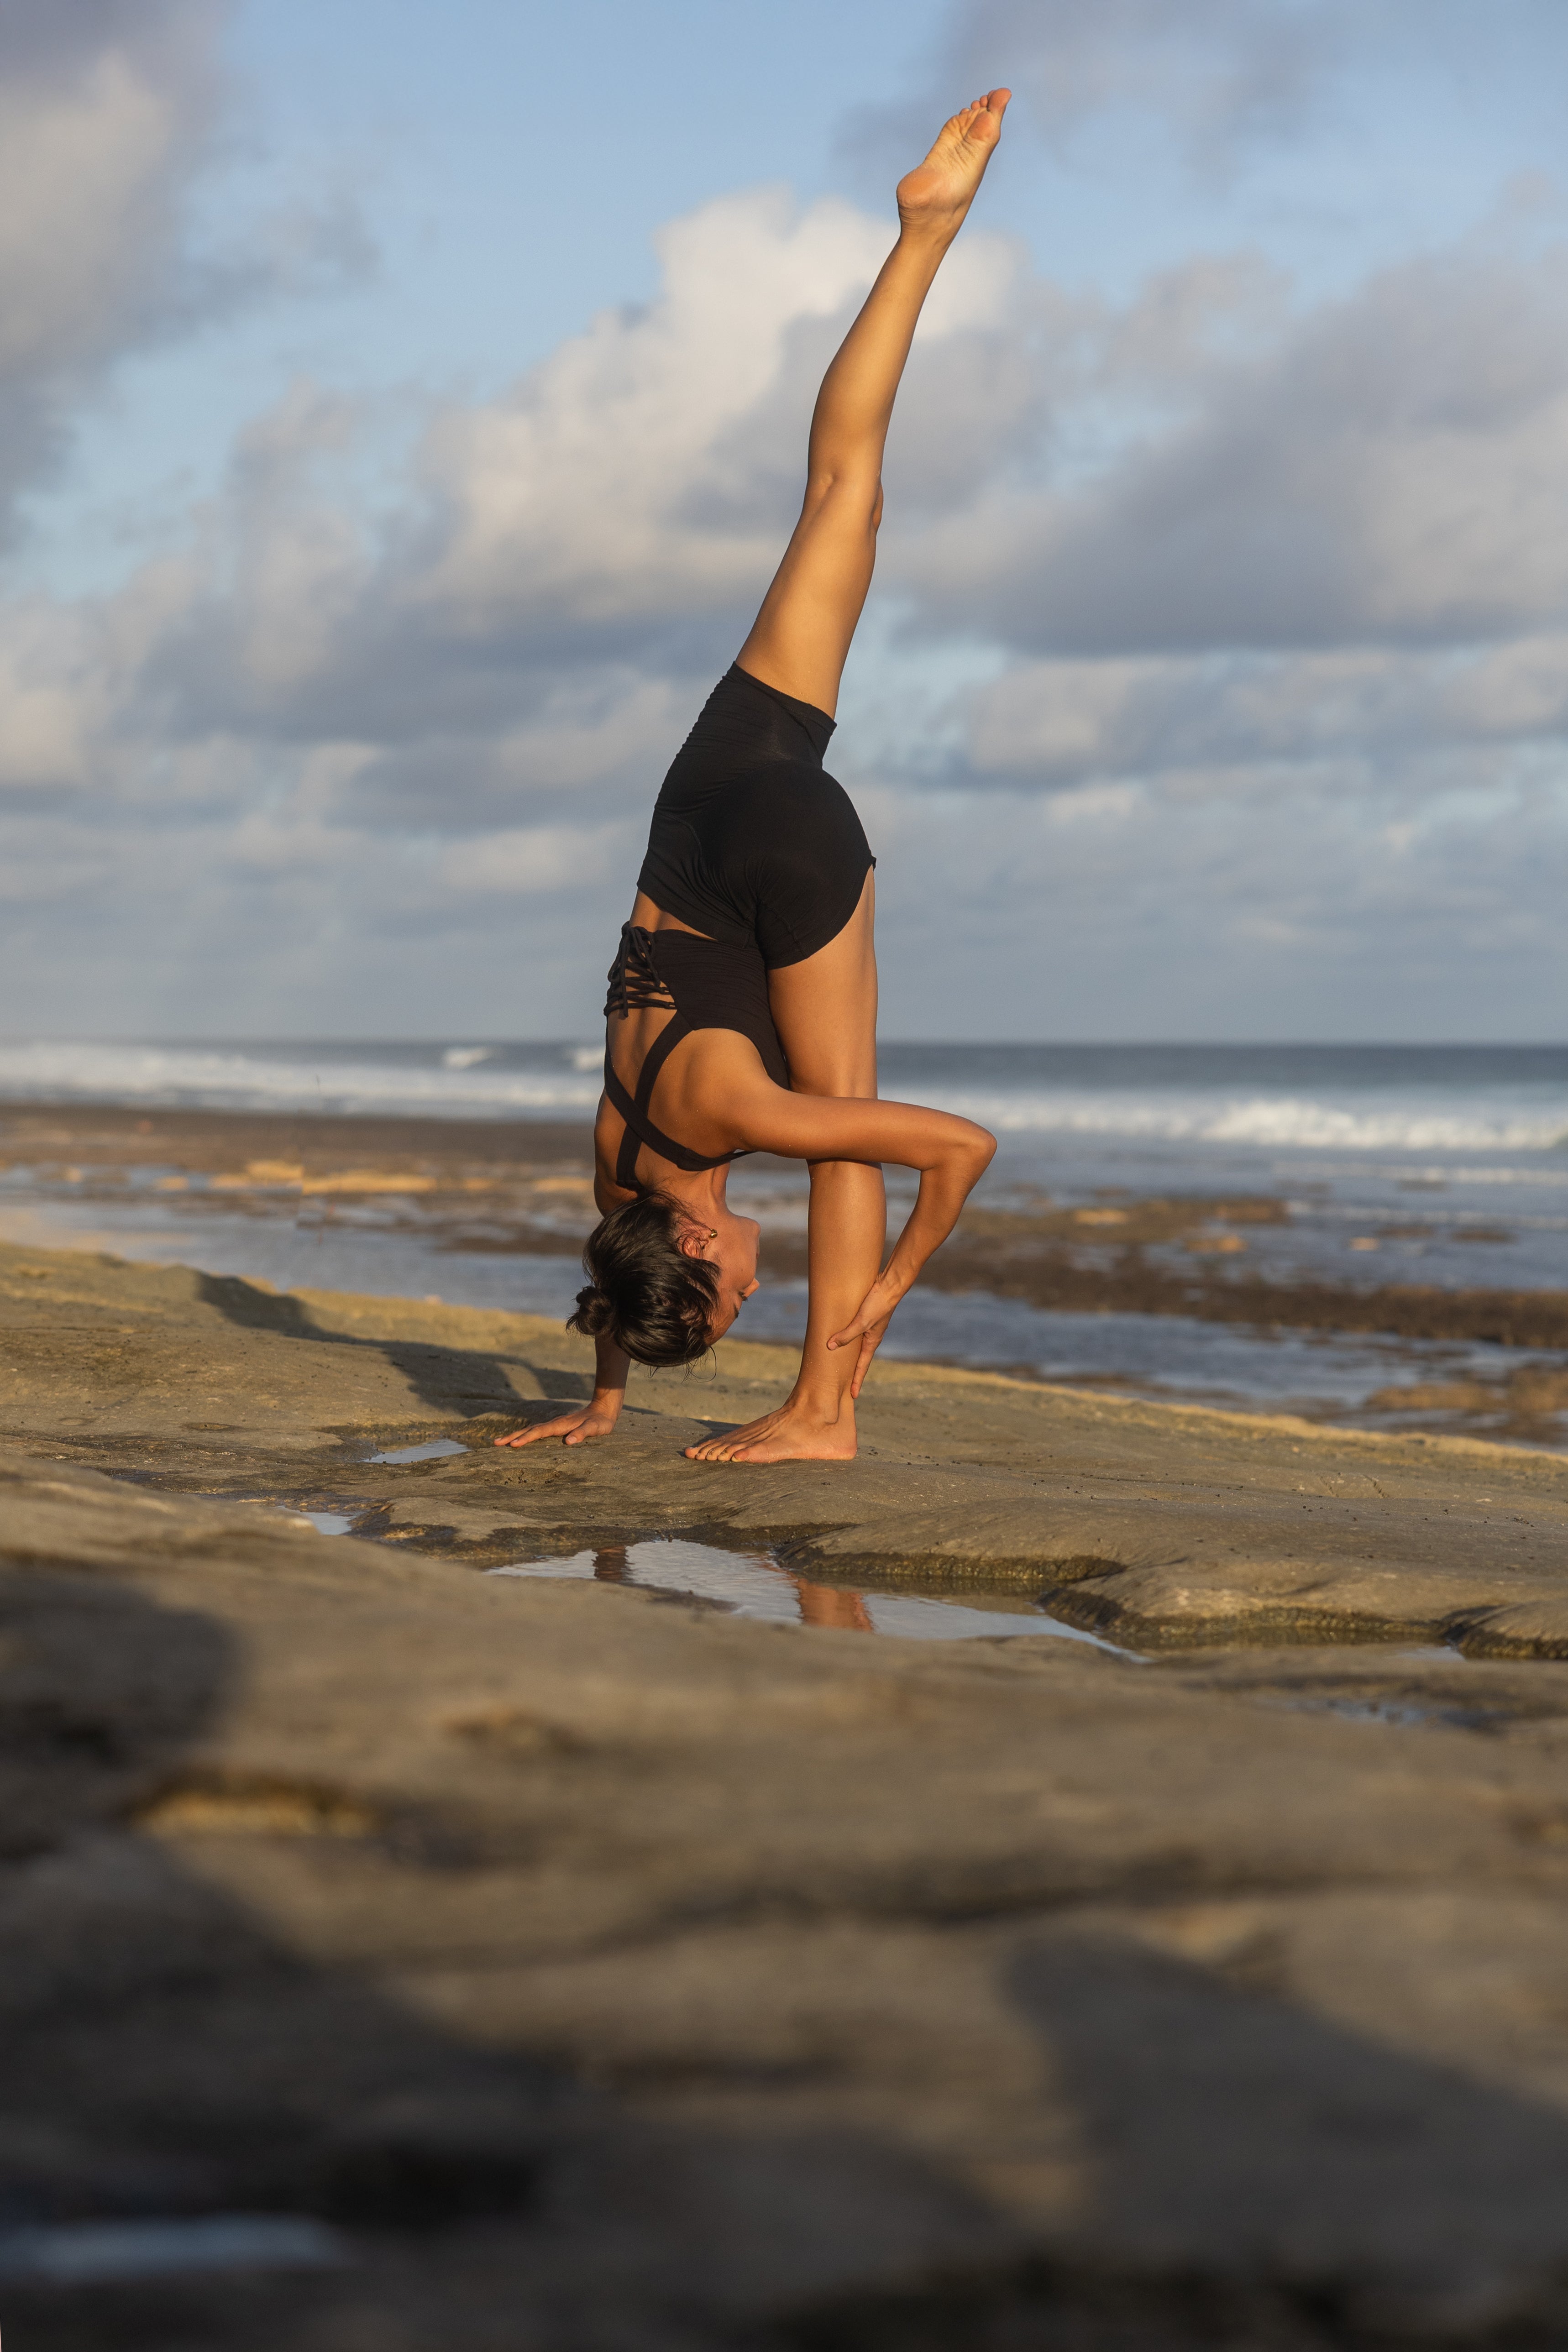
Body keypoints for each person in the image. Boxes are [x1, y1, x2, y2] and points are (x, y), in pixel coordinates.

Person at [497, 90, 1009, 1466]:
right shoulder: (619, 1161)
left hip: (788, 847)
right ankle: (922, 234)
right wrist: (601, 1401)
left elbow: (957, 1145)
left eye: (730, 1295)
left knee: (845, 1136)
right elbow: (611, 1272)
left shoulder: (731, 1119)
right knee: (841, 494)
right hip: (710, 791)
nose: (749, 1284)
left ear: (705, 1240)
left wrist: (891, 1289)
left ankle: (823, 1413)